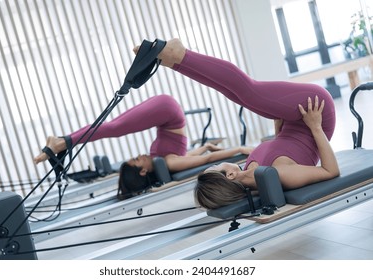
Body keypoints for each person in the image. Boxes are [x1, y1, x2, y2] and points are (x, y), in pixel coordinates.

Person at [134, 38, 340, 209]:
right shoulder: (280, 175)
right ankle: (180, 56)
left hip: (292, 121)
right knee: (250, 92)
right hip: (314, 113)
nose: (217, 162)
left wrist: (279, 123)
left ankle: (175, 62)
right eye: (216, 166)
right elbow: (329, 171)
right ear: (230, 175)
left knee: (236, 94)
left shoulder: (251, 169)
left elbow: (287, 148)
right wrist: (315, 126)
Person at [34, 94, 252, 199]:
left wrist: (207, 147)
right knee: (114, 127)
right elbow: (203, 160)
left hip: (166, 110)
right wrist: (240, 150)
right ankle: (63, 142)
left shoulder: (165, 161)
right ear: (143, 170)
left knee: (113, 126)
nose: (139, 155)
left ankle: (63, 142)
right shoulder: (170, 162)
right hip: (167, 111)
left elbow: (197, 154)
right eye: (137, 160)